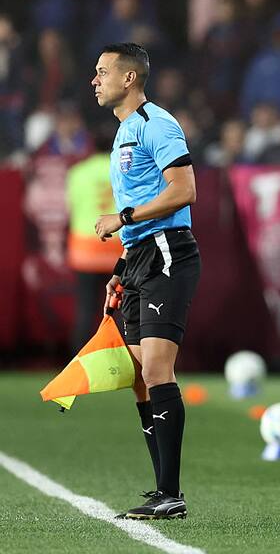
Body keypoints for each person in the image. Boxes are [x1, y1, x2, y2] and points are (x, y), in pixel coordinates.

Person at [92, 42, 201, 519]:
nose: (94, 80)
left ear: (129, 78)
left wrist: (123, 216)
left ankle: (172, 494)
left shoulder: (158, 124)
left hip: (166, 253)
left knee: (157, 369)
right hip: (138, 258)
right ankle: (162, 492)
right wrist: (119, 269)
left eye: (102, 72)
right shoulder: (121, 135)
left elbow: (185, 190)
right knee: (139, 376)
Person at [66, 124, 124, 351]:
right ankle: (122, 361)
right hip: (117, 248)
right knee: (120, 309)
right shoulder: (121, 169)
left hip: (85, 249)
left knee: (85, 309)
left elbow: (70, 207)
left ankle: (78, 361)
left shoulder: (77, 172)